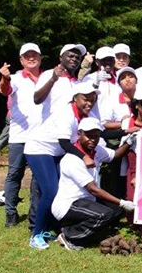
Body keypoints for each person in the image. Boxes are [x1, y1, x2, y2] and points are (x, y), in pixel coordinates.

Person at [24, 81, 100, 249]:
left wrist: (126, 131)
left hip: (56, 152)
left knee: (57, 192)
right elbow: (64, 143)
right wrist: (84, 157)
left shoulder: (84, 115)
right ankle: (36, 234)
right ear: (75, 98)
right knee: (50, 191)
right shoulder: (67, 114)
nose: (89, 103)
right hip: (39, 149)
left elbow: (100, 132)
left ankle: (47, 228)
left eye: (92, 99)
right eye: (85, 99)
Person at [50, 118, 135, 250]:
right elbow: (93, 189)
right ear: (79, 134)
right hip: (69, 205)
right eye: (88, 136)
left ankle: (98, 234)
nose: (92, 140)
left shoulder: (96, 150)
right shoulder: (72, 160)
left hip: (87, 201)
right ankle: (68, 235)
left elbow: (115, 155)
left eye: (96, 136)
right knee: (104, 214)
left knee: (117, 210)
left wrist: (129, 142)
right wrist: (122, 202)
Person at [0, 43, 45, 227]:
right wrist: (4, 78)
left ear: (40, 58)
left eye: (34, 55)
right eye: (27, 56)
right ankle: (10, 213)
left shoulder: (48, 78)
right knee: (15, 174)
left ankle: (35, 211)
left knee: (38, 177)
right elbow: (5, 90)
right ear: (21, 60)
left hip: (41, 136)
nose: (31, 58)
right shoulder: (16, 78)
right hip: (19, 135)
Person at [33, 43, 86, 114]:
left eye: (77, 58)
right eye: (71, 56)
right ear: (61, 58)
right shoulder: (48, 74)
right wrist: (52, 80)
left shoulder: (78, 83)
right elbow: (37, 99)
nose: (74, 59)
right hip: (51, 120)